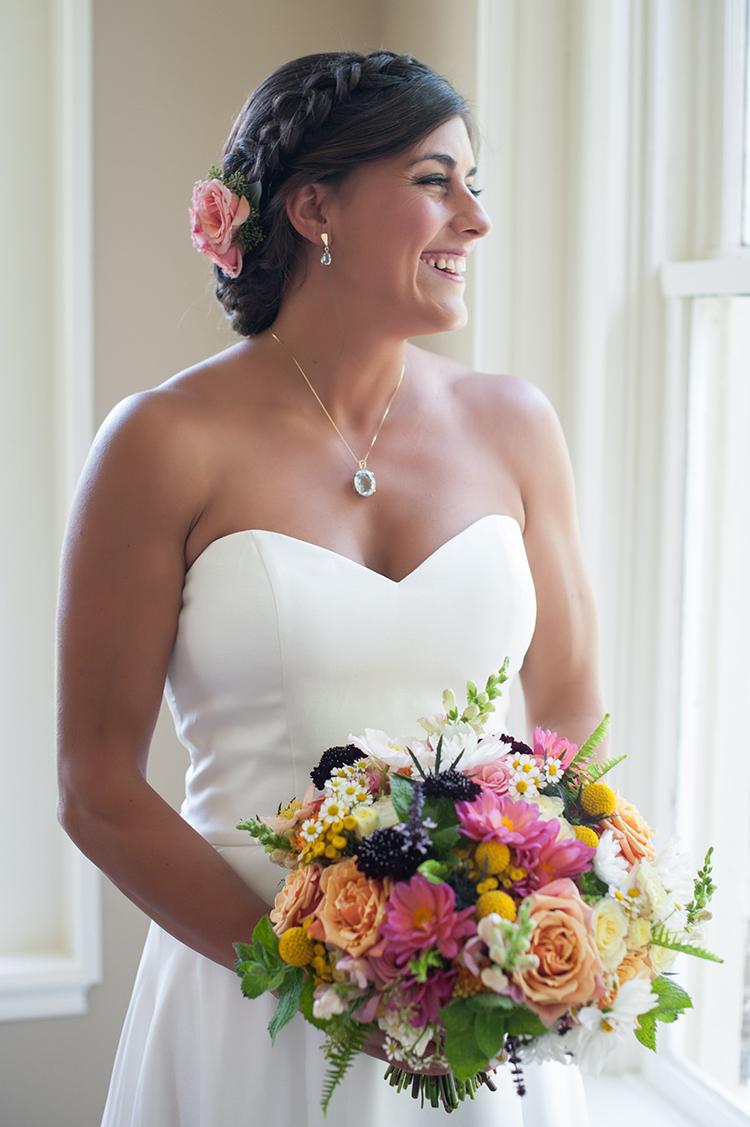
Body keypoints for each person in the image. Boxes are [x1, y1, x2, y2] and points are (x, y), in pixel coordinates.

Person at [57, 51, 603, 1126]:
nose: (474, 221)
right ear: (317, 208)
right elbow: (95, 784)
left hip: (471, 1018)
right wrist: (312, 973)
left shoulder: (517, 425)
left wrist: (508, 899)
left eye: (474, 184)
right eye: (436, 181)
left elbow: (570, 705)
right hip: (245, 1003)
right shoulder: (163, 442)